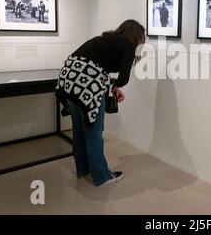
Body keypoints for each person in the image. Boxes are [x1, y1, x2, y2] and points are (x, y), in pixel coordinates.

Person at [56, 20, 145, 187]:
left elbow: (95, 67)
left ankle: (83, 170)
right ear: (137, 37)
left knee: (79, 129)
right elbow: (123, 78)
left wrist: (112, 87)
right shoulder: (127, 45)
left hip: (67, 80)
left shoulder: (102, 39)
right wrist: (117, 85)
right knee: (94, 131)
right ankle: (102, 176)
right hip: (86, 85)